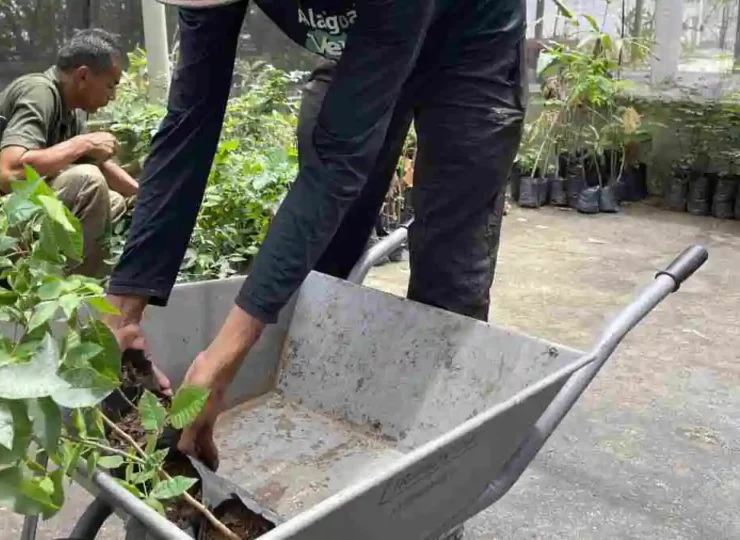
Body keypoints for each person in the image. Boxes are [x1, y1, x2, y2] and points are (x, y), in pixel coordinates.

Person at [105, 0, 527, 476]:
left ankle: (433, 477)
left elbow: (339, 159)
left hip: (470, 47)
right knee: (319, 264)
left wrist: (220, 359)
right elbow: (190, 121)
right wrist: (124, 310)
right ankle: (315, 441)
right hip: (370, 42)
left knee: (449, 275)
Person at [0, 28, 138, 278]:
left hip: (13, 221)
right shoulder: (39, 92)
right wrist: (84, 143)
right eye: (110, 85)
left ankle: (70, 284)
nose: (112, 96)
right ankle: (68, 293)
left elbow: (100, 165)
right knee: (87, 182)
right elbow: (9, 173)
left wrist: (143, 197)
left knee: (112, 201)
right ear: (83, 76)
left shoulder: (73, 110)